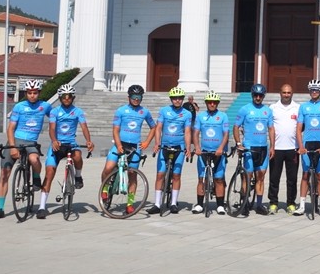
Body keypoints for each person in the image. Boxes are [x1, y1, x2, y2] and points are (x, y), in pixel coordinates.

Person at [0, 79, 52, 219]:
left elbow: (56, 118)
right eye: (30, 93)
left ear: (39, 93)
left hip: (31, 142)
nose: (32, 95)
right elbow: (10, 129)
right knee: (4, 174)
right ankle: (0, 208)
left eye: (35, 93)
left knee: (34, 159)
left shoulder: (45, 106)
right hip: (15, 140)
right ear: (26, 93)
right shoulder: (19, 106)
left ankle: (36, 178)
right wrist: (13, 147)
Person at [97, 84, 157, 216]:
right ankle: (105, 189)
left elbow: (154, 127)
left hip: (135, 147)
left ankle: (130, 204)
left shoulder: (144, 112)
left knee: (132, 174)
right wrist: (118, 145)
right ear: (129, 97)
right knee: (109, 168)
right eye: (134, 97)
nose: (136, 99)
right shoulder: (121, 111)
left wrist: (147, 142)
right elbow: (115, 130)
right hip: (120, 144)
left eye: (139, 97)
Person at [39, 84, 95, 219]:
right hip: (57, 144)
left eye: (69, 96)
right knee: (49, 173)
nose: (67, 99)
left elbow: (84, 127)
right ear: (60, 97)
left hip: (71, 144)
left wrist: (89, 141)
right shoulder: (54, 112)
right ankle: (41, 206)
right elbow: (52, 129)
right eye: (64, 96)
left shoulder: (78, 112)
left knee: (78, 156)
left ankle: (78, 176)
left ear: (73, 97)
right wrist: (54, 140)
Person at [146, 86, 191, 215]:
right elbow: (158, 128)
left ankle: (173, 203)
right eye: (175, 98)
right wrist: (157, 143)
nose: (177, 101)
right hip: (164, 146)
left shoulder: (187, 113)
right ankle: (157, 204)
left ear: (182, 100)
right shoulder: (164, 111)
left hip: (179, 147)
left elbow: (187, 132)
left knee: (176, 175)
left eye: (180, 98)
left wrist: (188, 147)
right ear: (171, 99)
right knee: (160, 174)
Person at [234, 83, 274, 216]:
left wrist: (272, 145)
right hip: (249, 148)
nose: (258, 97)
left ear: (263, 96)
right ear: (252, 95)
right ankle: (244, 203)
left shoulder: (267, 110)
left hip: (263, 148)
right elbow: (235, 127)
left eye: (260, 95)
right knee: (247, 177)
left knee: (261, 177)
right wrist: (239, 143)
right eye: (256, 95)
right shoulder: (244, 109)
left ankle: (259, 204)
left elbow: (271, 129)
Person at [296, 79, 320, 217]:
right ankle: (302, 206)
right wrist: (300, 147)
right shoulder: (304, 107)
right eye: (312, 90)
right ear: (309, 91)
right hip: (307, 144)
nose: (314, 92)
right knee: (305, 175)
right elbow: (298, 129)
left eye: (316, 90)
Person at [191, 92, 230, 214]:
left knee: (218, 179)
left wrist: (221, 148)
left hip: (218, 152)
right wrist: (197, 147)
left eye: (214, 102)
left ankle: (220, 205)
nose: (212, 104)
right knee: (201, 179)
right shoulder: (200, 116)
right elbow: (196, 133)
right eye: (209, 102)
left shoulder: (223, 116)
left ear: (217, 103)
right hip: (204, 152)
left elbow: (226, 134)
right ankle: (199, 204)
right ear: (206, 103)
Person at [268, 84, 300, 214]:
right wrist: (272, 147)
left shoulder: (298, 108)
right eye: (284, 92)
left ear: (292, 93)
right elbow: (269, 127)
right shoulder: (273, 108)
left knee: (292, 178)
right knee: (274, 177)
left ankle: (291, 203)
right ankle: (273, 203)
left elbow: (301, 126)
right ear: (279, 93)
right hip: (277, 148)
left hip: (293, 148)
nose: (286, 95)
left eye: (289, 92)